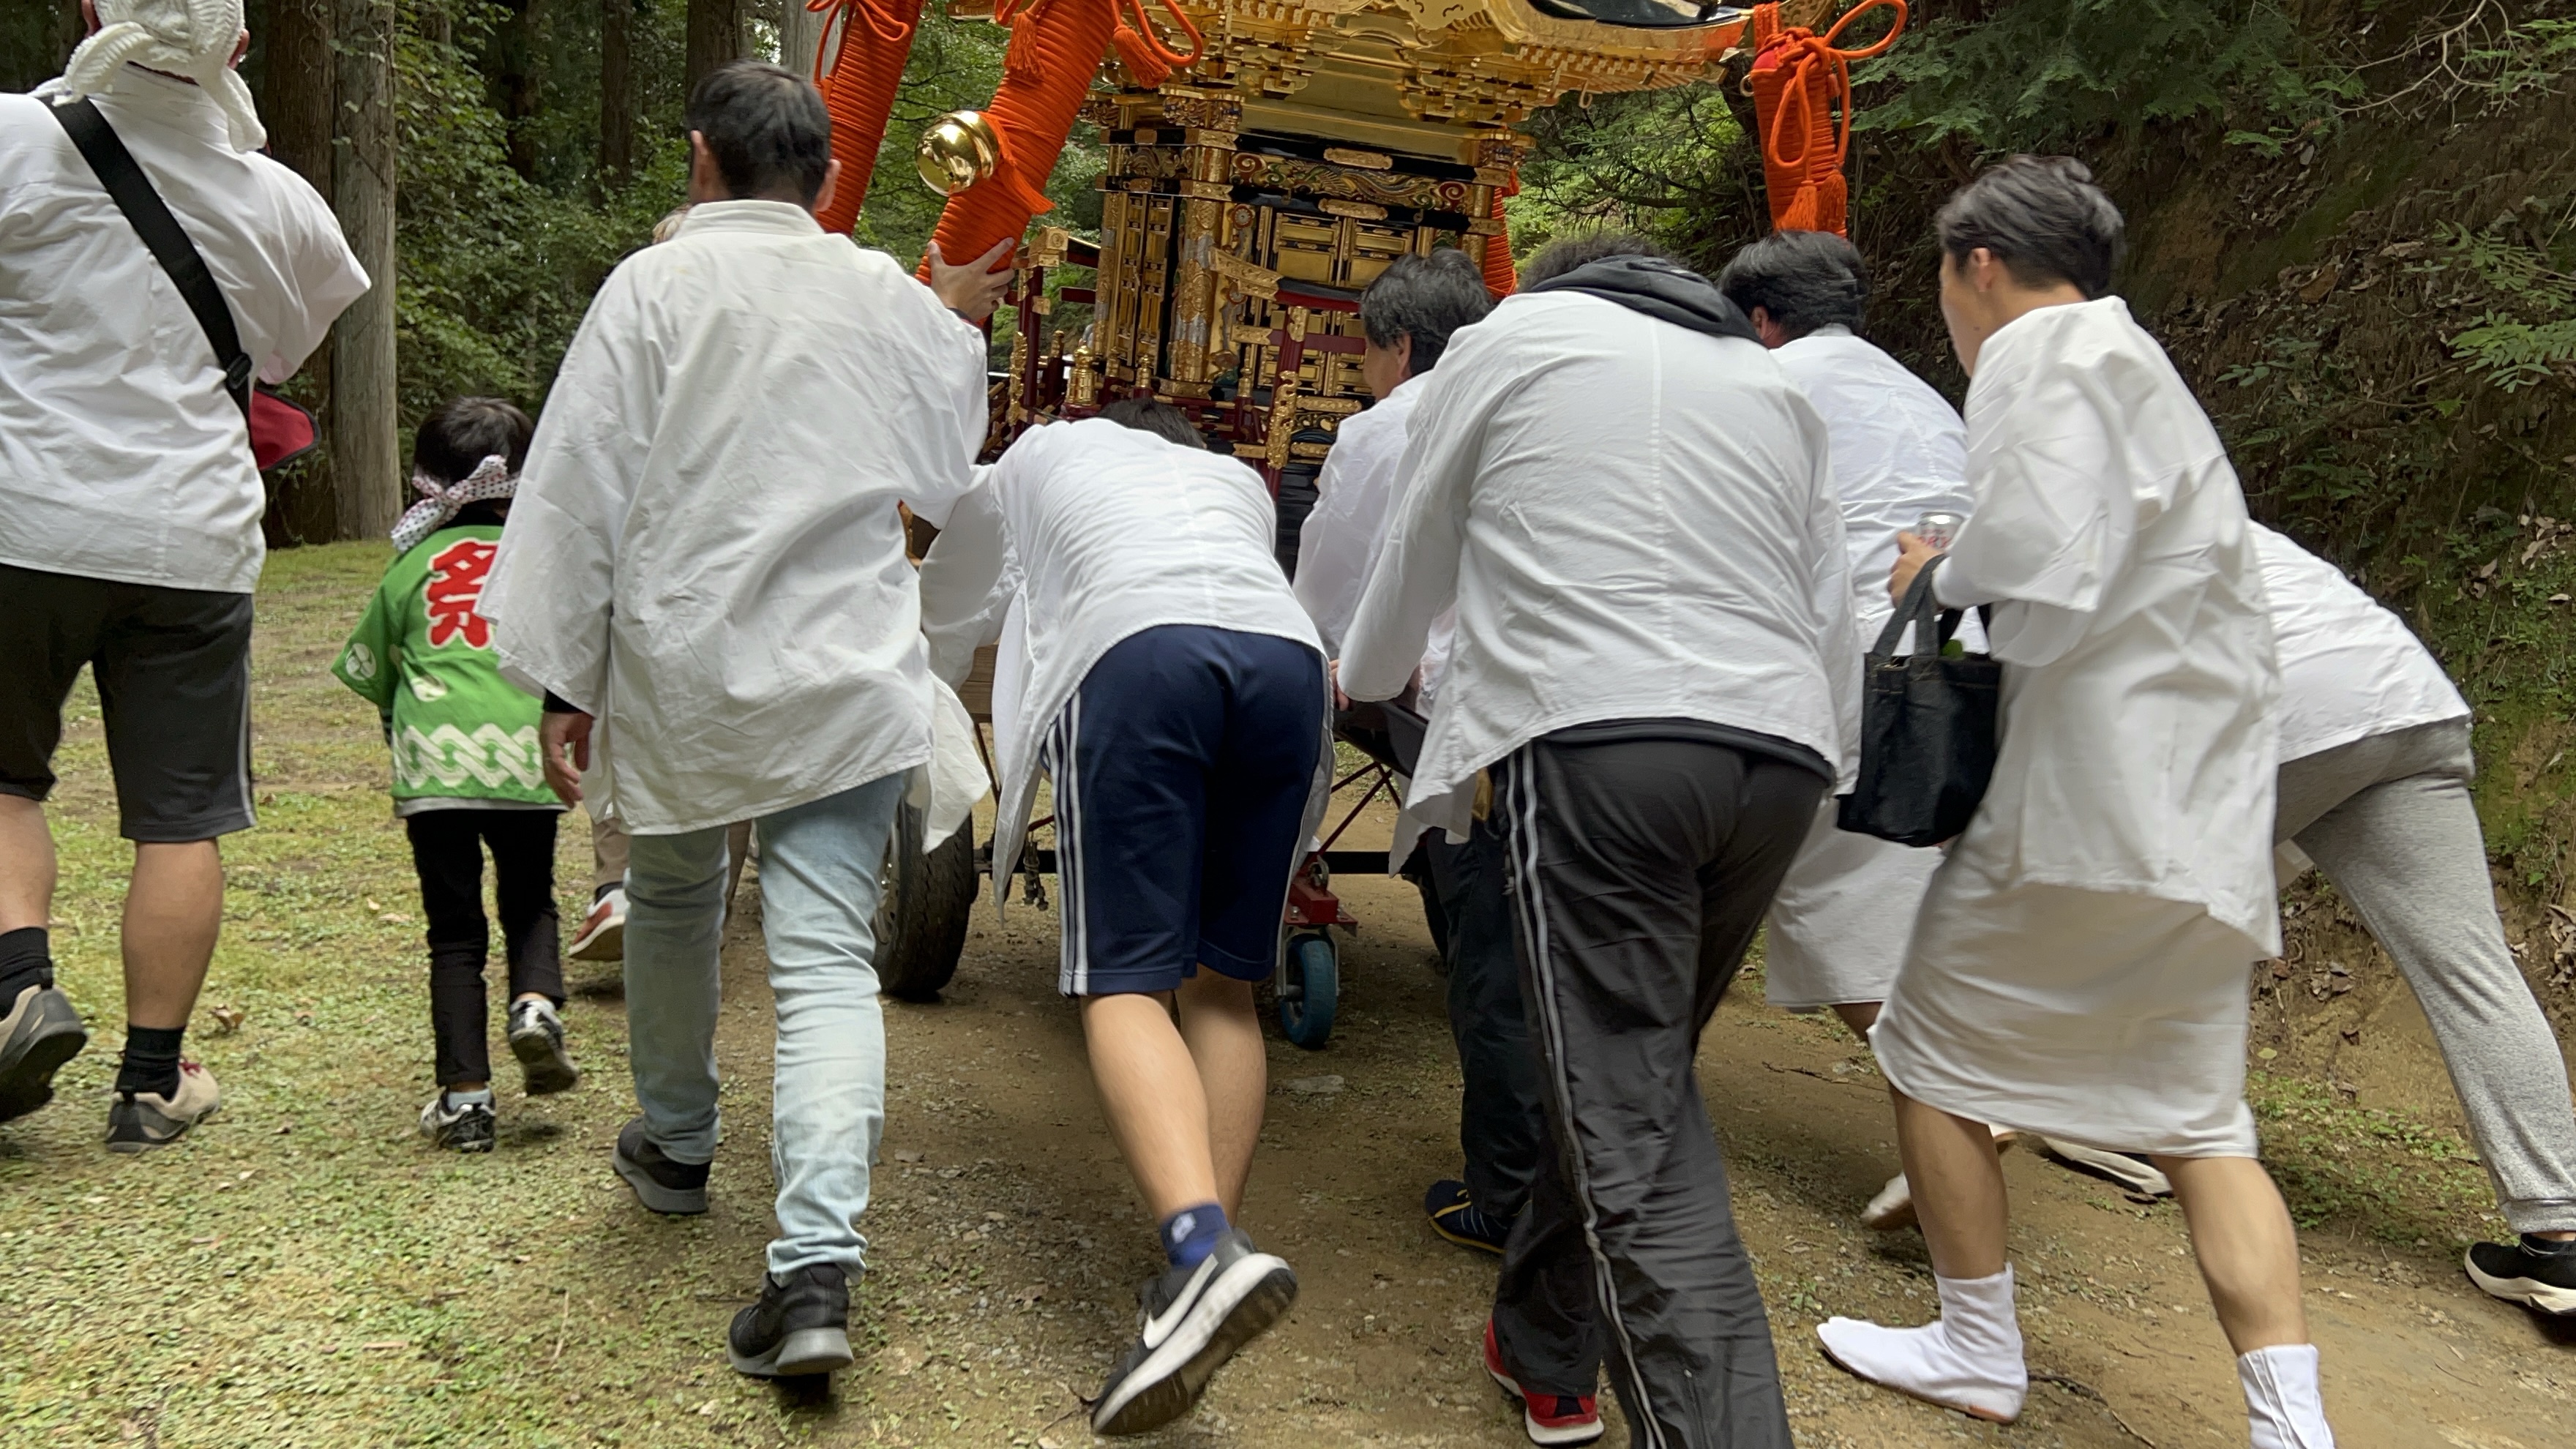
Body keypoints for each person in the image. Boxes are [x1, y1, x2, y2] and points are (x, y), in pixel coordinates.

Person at [476, 61, 1008, 1379]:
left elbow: (581, 485)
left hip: (686, 657)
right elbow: (951, 453)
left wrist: (564, 679)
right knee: (826, 957)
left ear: (699, 159)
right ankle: (815, 1270)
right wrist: (951, 312)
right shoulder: (875, 291)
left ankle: (673, 1144)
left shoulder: (651, 288)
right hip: (841, 663)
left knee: (672, 903)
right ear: (825, 179)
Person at [1813, 157, 2335, 1449]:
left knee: (1925, 1052)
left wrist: (1941, 568)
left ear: (1976, 264)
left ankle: (1977, 1347)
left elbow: (2035, 546)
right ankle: (2292, 1429)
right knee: (2204, 1126)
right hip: (2203, 817)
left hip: (2085, 802)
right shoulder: (2145, 373)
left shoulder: (2039, 355)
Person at [1344, 233, 1855, 1449]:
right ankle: (1543, 1348)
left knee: (1633, 1128)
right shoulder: (1773, 384)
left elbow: (1415, 545)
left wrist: (1367, 674)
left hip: (1597, 743)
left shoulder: (1509, 341)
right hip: (1776, 759)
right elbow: (1827, 608)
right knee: (1627, 1082)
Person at [0, 0, 367, 1147]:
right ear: (238, 47)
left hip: (24, 514)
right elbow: (277, 352)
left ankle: (16, 988)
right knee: (181, 817)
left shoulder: (15, 137)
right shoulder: (284, 203)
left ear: (86, 14)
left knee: (5, 781)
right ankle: (152, 1082)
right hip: (193, 539)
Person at [919, 398, 1322, 1437]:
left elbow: (952, 601)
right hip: (1287, 665)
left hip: (1140, 654)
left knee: (1123, 982)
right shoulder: (1232, 480)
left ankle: (1200, 1256)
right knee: (1224, 986)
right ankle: (1199, 1276)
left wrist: (921, 681)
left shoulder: (1039, 452)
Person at [1713, 228, 2009, 1221]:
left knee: (1833, 888)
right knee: (1921, 886)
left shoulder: (1767, 383)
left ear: (1759, 319)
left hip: (1867, 645)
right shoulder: (1924, 396)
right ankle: (1968, 1106)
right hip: (1975, 645)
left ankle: (1960, 1098)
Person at [2255, 523, 2576, 1315]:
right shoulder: (2204, 498)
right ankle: (2561, 1240)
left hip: (2293, 716)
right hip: (2405, 700)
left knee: (2154, 896)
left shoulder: (2077, 510)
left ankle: (2139, 1122)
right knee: (2470, 968)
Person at [1289, 251, 1531, 1254]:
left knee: (1496, 945)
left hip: (1463, 695)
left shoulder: (1390, 425)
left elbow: (1342, 572)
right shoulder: (1533, 398)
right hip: (1620, 699)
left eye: (1367, 350)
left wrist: (1330, 657)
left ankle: (1509, 1193)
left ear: (1395, 345)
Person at [331, 399, 581, 1153]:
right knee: (531, 901)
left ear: (426, 481)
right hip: (523, 757)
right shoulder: (541, 566)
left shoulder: (410, 566)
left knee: (454, 935)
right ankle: (536, 1004)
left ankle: (466, 1100)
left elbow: (372, 670)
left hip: (436, 766)